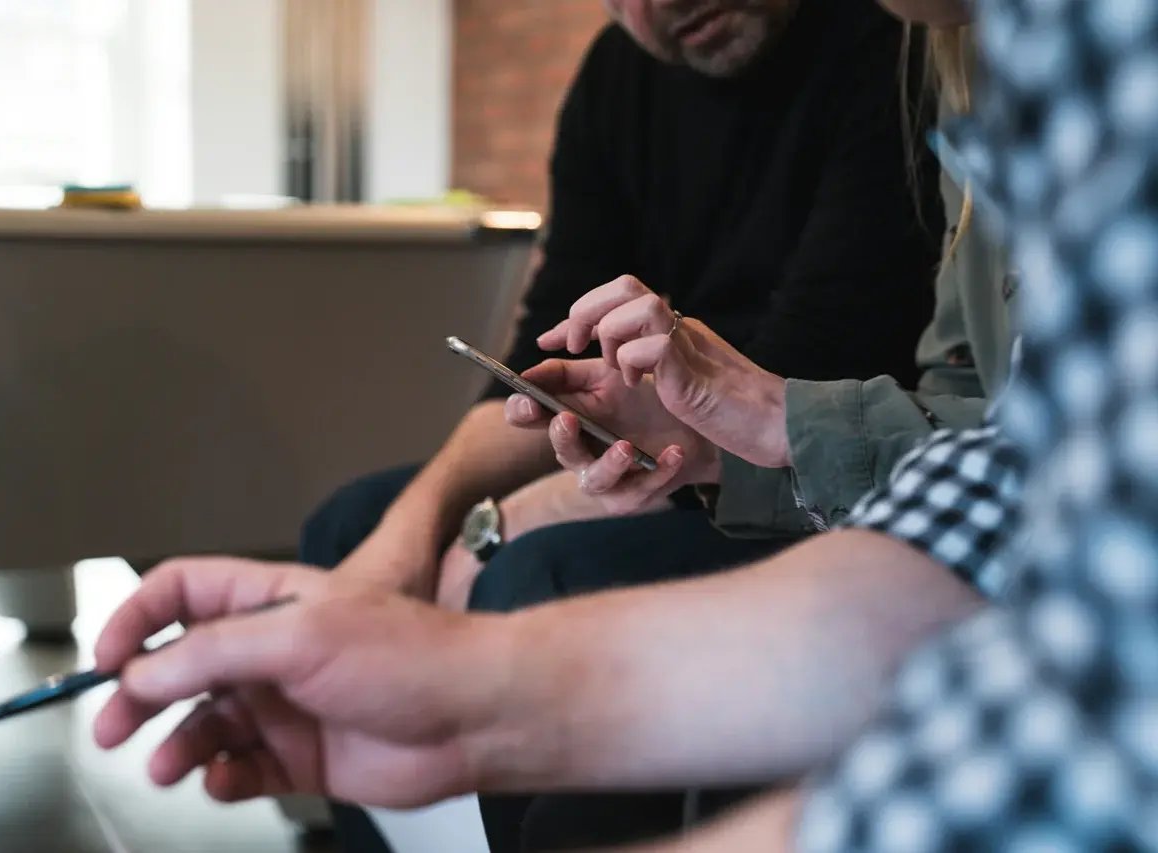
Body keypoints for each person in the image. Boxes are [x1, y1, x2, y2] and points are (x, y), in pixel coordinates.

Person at [97, 0, 1158, 848]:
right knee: (361, 522)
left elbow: (1090, 681)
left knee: (531, 569)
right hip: (777, 464)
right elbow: (1002, 482)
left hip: (785, 475)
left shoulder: (934, 51)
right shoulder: (972, 60)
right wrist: (448, 647)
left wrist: (490, 609)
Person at [301, 0, 941, 844]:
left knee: (534, 571)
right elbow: (540, 358)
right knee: (351, 524)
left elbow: (804, 381)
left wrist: (490, 529)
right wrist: (409, 535)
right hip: (681, 445)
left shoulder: (890, 46)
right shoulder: (618, 77)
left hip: (802, 475)